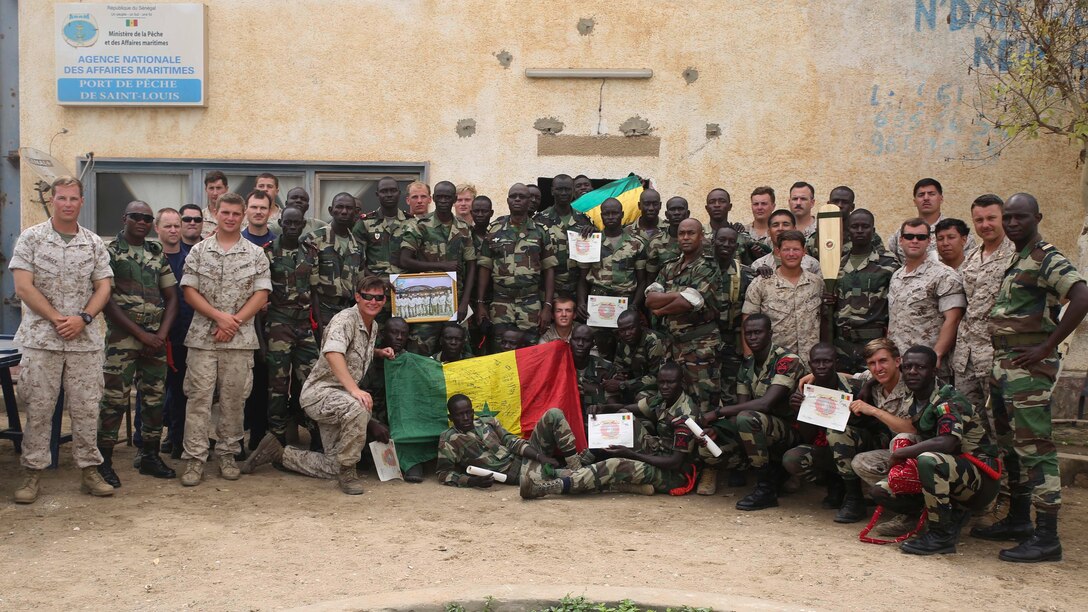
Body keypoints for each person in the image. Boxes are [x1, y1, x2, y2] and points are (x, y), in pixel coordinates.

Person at [971, 193, 1088, 563]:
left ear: (1037, 217)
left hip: (1028, 370)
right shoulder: (1018, 257)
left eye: (1019, 217)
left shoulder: (1046, 257)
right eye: (1008, 217)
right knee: (1010, 446)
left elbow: (1081, 296)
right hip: (1004, 365)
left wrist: (1048, 346)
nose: (1012, 223)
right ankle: (1019, 519)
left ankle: (1047, 536)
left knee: (1036, 448)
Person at [9, 176, 116, 503]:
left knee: (87, 407)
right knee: (39, 408)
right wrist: (57, 318)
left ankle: (89, 470)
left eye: (73, 198)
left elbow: (104, 287)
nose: (67, 204)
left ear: (81, 202)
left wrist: (84, 318)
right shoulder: (31, 238)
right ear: (52, 200)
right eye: (62, 198)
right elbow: (23, 287)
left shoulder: (93, 243)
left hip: (84, 342)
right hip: (43, 340)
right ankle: (32, 473)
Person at [243, 276, 396, 495]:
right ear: (357, 297)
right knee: (360, 407)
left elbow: (356, 351)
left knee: (333, 466)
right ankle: (349, 472)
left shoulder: (372, 325)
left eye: (378, 298)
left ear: (384, 300)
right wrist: (354, 390)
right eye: (367, 296)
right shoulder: (345, 320)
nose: (373, 301)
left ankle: (278, 453)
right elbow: (333, 353)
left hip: (340, 400)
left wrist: (379, 352)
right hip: (321, 394)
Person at [178, 192, 272, 486]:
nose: (230, 218)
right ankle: (194, 459)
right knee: (198, 400)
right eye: (225, 212)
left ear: (243, 215)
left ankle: (228, 454)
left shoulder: (256, 254)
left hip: (239, 341)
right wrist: (219, 318)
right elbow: (189, 291)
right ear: (215, 214)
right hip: (203, 339)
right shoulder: (199, 251)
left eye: (235, 213)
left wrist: (234, 322)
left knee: (234, 401)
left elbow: (261, 294)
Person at [869, 346, 1000, 556]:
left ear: (933, 371)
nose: (912, 372)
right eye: (908, 367)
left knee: (928, 459)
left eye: (920, 367)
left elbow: (948, 442)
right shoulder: (915, 397)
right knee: (881, 491)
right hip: (948, 471)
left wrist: (900, 454)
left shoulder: (948, 399)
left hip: (978, 479)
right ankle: (927, 516)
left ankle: (941, 535)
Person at [96, 200, 180, 486]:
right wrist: (141, 335)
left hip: (156, 339)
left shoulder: (156, 253)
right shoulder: (109, 253)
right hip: (122, 340)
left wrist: (160, 335)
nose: (142, 222)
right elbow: (106, 300)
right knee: (114, 401)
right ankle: (104, 462)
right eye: (136, 217)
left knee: (154, 399)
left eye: (146, 218)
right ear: (125, 218)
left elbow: (172, 297)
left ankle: (149, 456)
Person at [436, 395, 651, 498]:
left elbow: (513, 442)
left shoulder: (487, 422)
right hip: (516, 473)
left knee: (554, 414)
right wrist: (470, 481)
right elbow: (444, 474)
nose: (466, 417)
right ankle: (623, 485)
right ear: (451, 417)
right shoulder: (449, 439)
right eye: (460, 414)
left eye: (468, 412)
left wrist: (540, 456)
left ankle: (576, 463)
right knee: (570, 478)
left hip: (528, 456)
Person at [697, 315, 804, 508]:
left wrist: (718, 412)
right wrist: (720, 430)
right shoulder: (747, 365)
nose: (753, 337)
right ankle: (771, 472)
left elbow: (765, 404)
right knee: (708, 448)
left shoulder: (787, 361)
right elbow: (741, 409)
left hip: (789, 434)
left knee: (747, 418)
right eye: (748, 333)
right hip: (759, 431)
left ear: (770, 333)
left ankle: (765, 490)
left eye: (758, 332)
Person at [781, 344, 872, 523]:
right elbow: (809, 437)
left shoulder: (856, 387)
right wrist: (800, 412)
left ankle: (855, 498)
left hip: (861, 446)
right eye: (817, 362)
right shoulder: (805, 389)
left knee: (836, 432)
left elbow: (872, 426)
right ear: (810, 364)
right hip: (829, 447)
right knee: (793, 458)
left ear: (836, 363)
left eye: (827, 361)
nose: (821, 366)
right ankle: (834, 483)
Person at [586, 363, 705, 496]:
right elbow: (629, 408)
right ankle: (590, 458)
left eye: (670, 382)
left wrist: (632, 455)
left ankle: (568, 482)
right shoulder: (663, 399)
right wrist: (603, 408)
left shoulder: (686, 415)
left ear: (681, 383)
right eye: (661, 382)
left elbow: (675, 463)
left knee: (615, 465)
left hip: (675, 475)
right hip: (659, 452)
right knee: (624, 416)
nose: (665, 387)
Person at [645, 218, 721, 413]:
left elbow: (689, 303)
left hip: (700, 347)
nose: (685, 237)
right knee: (675, 403)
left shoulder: (708, 266)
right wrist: (681, 294)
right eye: (682, 233)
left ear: (701, 236)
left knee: (703, 403)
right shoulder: (669, 267)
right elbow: (650, 299)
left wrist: (662, 310)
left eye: (691, 233)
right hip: (673, 346)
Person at [848, 338, 918, 537]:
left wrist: (873, 410)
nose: (878, 368)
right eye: (872, 363)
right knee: (861, 462)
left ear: (897, 361)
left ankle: (925, 508)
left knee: (902, 439)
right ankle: (910, 507)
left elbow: (912, 429)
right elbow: (851, 376)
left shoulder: (913, 382)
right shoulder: (874, 378)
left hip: (923, 451)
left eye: (883, 361)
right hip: (897, 453)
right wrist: (813, 375)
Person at [399, 180, 477, 354]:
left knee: (459, 352)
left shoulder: (463, 228)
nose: (443, 201)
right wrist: (441, 266)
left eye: (447, 197)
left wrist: (464, 303)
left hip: (456, 301)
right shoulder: (420, 225)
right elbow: (405, 260)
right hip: (425, 301)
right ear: (433, 198)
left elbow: (472, 265)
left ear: (454, 199)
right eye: (439, 197)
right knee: (420, 351)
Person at [476, 183, 556, 351]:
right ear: (507, 200)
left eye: (522, 196)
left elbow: (549, 269)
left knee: (529, 350)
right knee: (500, 349)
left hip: (530, 302)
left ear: (529, 201)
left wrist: (548, 306)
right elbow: (485, 266)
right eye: (513, 196)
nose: (517, 199)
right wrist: (481, 303)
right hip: (501, 302)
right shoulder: (495, 229)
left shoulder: (540, 231)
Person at [264, 206, 319, 447]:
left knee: (311, 382)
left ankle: (316, 435)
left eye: (297, 223)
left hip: (304, 326)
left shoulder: (311, 252)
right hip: (279, 325)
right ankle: (276, 440)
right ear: (281, 223)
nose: (293, 227)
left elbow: (314, 292)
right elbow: (261, 294)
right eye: (288, 222)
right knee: (277, 386)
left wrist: (318, 328)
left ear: (304, 224)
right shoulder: (268, 252)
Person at [887, 218, 965, 373]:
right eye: (909, 236)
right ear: (901, 240)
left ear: (929, 241)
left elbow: (954, 319)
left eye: (921, 237)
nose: (915, 241)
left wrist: (937, 355)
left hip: (927, 366)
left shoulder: (944, 275)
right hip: (899, 364)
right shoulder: (897, 276)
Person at [577, 198, 648, 359]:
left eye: (614, 213)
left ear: (622, 214)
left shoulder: (636, 243)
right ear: (601, 215)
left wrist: (635, 306)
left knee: (626, 351)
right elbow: (582, 278)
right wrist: (581, 302)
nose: (610, 217)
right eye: (606, 213)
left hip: (625, 303)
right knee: (599, 350)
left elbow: (642, 280)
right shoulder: (591, 241)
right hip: (597, 304)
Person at [742, 230, 825, 362]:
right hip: (776, 363)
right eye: (786, 249)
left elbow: (824, 320)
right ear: (778, 251)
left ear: (804, 252)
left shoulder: (817, 283)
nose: (791, 254)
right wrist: (749, 359)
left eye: (796, 249)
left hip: (811, 362)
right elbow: (747, 323)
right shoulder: (761, 284)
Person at [832, 209, 899, 372]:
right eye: (855, 226)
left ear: (873, 230)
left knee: (873, 385)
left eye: (865, 226)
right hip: (841, 345)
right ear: (848, 230)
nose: (860, 230)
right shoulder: (836, 264)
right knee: (843, 385)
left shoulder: (889, 263)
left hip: (875, 345)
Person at [156, 208, 194, 458]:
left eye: (176, 226)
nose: (173, 230)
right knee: (151, 393)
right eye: (167, 226)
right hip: (152, 336)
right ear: (157, 228)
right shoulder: (150, 258)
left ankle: (177, 440)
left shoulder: (191, 259)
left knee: (181, 393)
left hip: (183, 336)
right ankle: (144, 445)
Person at [304, 193, 365, 333]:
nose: (344, 211)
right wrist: (318, 321)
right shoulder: (314, 240)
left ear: (355, 212)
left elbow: (360, 282)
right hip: (322, 310)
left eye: (349, 208)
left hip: (349, 311)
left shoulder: (358, 245)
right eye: (339, 207)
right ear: (331, 211)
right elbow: (308, 285)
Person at [887, 178, 974, 262]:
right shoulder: (901, 234)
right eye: (921, 195)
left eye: (931, 194)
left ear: (941, 199)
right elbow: (893, 264)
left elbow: (970, 263)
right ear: (915, 201)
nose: (926, 198)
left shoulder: (958, 232)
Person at [535, 174, 592, 299]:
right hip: (546, 291)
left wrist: (593, 232)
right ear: (552, 191)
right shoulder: (539, 220)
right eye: (559, 189)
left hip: (578, 290)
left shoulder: (584, 220)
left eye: (567, 189)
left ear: (573, 190)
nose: (564, 193)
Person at [713, 226, 752, 405]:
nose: (726, 245)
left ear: (736, 247)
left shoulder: (744, 273)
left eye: (731, 242)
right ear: (713, 241)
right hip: (703, 343)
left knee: (731, 394)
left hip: (731, 342)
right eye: (722, 240)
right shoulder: (700, 268)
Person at [354, 177, 412, 281]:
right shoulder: (365, 223)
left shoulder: (412, 222)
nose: (389, 195)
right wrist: (376, 281)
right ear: (377, 194)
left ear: (399, 193)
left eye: (393, 191)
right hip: (374, 284)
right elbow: (356, 260)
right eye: (384, 191)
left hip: (406, 283)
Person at [605, 309, 668, 404]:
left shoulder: (654, 341)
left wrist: (624, 384)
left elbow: (657, 377)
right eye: (622, 330)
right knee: (609, 391)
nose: (627, 334)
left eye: (631, 328)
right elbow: (618, 366)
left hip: (657, 386)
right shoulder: (623, 342)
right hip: (633, 383)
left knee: (641, 398)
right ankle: (617, 412)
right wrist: (618, 377)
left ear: (640, 325)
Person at [750, 209, 821, 275]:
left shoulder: (812, 264)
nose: (780, 228)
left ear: (794, 229)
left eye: (785, 224)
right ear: (768, 232)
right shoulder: (758, 265)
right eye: (775, 225)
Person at [570, 324, 616, 425]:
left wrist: (601, 408)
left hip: (597, 423)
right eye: (576, 339)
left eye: (585, 340)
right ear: (570, 341)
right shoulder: (561, 367)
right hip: (569, 422)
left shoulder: (605, 368)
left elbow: (614, 404)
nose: (580, 344)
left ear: (592, 344)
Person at [469, 195, 495, 353]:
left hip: (494, 298)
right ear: (471, 213)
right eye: (476, 211)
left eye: (484, 211)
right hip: (469, 298)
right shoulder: (465, 236)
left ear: (491, 213)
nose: (480, 214)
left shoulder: (497, 236)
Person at [645, 196, 690, 280]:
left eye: (680, 209)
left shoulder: (700, 240)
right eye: (672, 209)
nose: (676, 213)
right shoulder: (656, 242)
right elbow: (651, 277)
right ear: (666, 214)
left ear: (687, 213)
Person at [744, 186, 776, 256]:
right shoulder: (743, 232)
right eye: (756, 204)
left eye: (764, 204)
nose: (759, 207)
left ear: (773, 206)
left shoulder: (779, 232)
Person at [200, 171, 229, 238]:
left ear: (226, 189)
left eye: (218, 188)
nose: (215, 193)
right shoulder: (199, 218)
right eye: (211, 188)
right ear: (206, 189)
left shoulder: (237, 216)